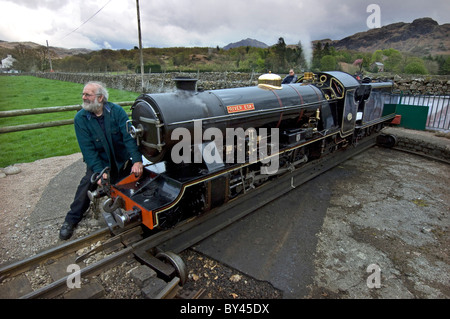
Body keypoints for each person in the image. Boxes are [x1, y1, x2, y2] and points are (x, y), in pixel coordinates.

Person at [59, 81, 143, 240]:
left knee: (140, 180)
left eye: (87, 95)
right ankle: (71, 219)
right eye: (83, 94)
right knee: (85, 186)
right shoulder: (80, 118)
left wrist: (137, 161)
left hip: (121, 161)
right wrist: (98, 172)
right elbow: (88, 150)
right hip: (99, 163)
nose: (84, 97)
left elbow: (128, 138)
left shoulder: (117, 111)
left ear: (100, 97)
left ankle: (137, 212)